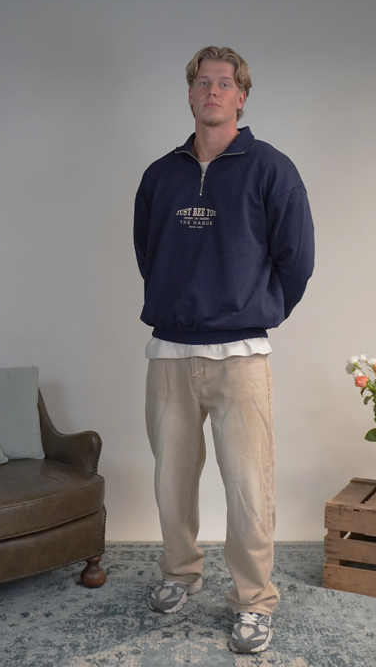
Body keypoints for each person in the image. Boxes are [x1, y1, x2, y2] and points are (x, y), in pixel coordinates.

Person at [133, 46, 314, 655]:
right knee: (170, 482)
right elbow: (148, 253)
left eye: (225, 83)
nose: (213, 91)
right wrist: (177, 301)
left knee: (248, 487)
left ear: (241, 97)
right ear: (190, 94)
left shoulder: (271, 169)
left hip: (240, 356)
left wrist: (253, 309)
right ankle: (180, 572)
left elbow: (297, 259)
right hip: (169, 354)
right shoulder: (161, 175)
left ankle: (254, 601)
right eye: (203, 82)